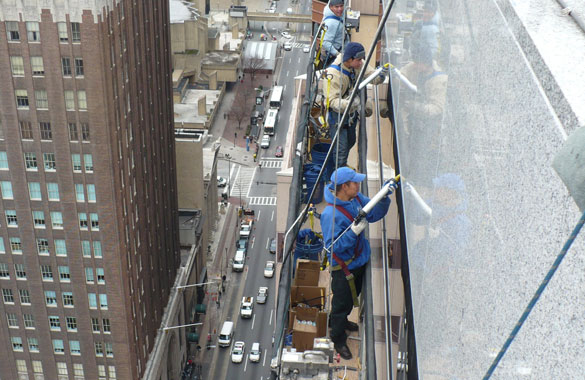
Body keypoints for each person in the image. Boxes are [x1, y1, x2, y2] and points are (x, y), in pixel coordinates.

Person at [319, 167, 395, 360]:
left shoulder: (356, 198)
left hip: (358, 261)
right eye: (355, 182)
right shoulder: (331, 215)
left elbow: (373, 213)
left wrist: (383, 197)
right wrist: (353, 233)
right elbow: (333, 248)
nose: (358, 185)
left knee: (353, 297)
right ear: (344, 187)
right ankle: (337, 338)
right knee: (340, 305)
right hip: (344, 268)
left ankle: (343, 322)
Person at [321, 42, 387, 169]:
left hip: (350, 114)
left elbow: (374, 78)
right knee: (341, 150)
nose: (361, 62)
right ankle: (339, 180)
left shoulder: (357, 64)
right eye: (358, 60)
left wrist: (381, 74)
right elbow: (332, 101)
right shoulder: (333, 74)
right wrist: (352, 103)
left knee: (350, 141)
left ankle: (339, 169)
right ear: (349, 59)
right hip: (338, 116)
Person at [320, 0, 346, 67]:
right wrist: (337, 54)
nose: (340, 9)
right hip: (333, 56)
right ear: (331, 7)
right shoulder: (331, 23)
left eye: (341, 6)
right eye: (336, 7)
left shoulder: (333, 14)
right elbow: (325, 42)